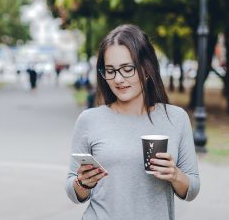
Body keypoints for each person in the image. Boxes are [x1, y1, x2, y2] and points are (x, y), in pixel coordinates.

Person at [66, 24, 200, 220]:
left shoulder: (176, 118)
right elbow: (73, 190)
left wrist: (175, 175)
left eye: (127, 69)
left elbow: (192, 188)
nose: (118, 79)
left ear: (146, 68)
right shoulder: (89, 120)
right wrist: (83, 183)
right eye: (110, 71)